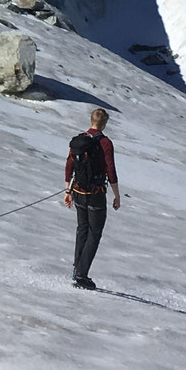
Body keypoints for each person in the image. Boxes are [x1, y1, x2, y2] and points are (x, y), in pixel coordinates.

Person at [63, 106, 119, 289]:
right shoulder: (105, 143)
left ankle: (77, 269)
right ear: (104, 123)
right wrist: (116, 194)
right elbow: (110, 169)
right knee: (94, 233)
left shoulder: (79, 141)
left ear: (91, 120)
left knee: (82, 230)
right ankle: (82, 274)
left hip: (78, 192)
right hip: (96, 194)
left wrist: (67, 190)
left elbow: (69, 165)